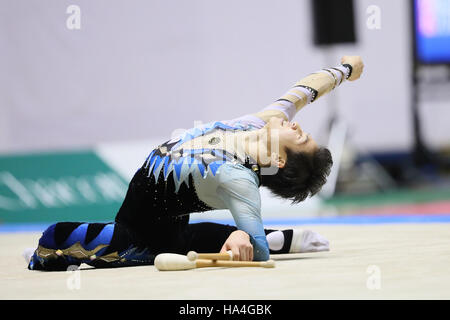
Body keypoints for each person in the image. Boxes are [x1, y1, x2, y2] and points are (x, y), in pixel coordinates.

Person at [26, 56, 364, 271]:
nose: (297, 126)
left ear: (278, 158)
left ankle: (269, 238)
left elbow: (258, 253)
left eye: (302, 137)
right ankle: (284, 239)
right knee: (185, 237)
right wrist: (345, 71)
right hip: (169, 224)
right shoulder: (260, 123)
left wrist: (245, 244)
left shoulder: (239, 178)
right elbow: (305, 90)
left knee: (54, 236)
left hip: (136, 238)